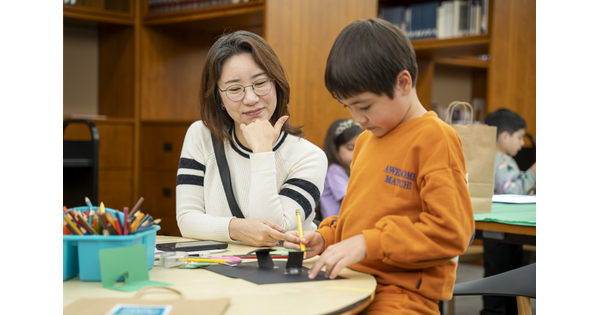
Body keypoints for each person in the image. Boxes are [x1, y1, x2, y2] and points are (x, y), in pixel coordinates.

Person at [283, 19, 474, 314]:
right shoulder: (365, 141)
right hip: (350, 280)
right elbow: (357, 221)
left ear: (403, 83)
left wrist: (368, 243)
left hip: (401, 294)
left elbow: (451, 232)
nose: (357, 117)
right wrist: (326, 238)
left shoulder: (435, 138)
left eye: (365, 106)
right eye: (347, 106)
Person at [176, 30, 327, 247]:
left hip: (280, 274)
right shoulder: (200, 135)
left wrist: (263, 152)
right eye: (235, 89)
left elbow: (273, 231)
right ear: (219, 98)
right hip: (217, 271)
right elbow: (186, 220)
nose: (251, 98)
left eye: (260, 83)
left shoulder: (309, 157)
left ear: (277, 84)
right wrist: (236, 228)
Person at [480, 109, 536, 315]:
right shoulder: (498, 160)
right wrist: (533, 172)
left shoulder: (502, 158)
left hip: (503, 231)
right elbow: (512, 189)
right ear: (504, 137)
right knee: (501, 276)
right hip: (499, 231)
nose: (522, 143)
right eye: (520, 137)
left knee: (509, 273)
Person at [320, 118, 363, 219]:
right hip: (335, 228)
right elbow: (350, 202)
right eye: (350, 148)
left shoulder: (351, 169)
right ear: (335, 149)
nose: (357, 153)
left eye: (360, 147)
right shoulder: (334, 170)